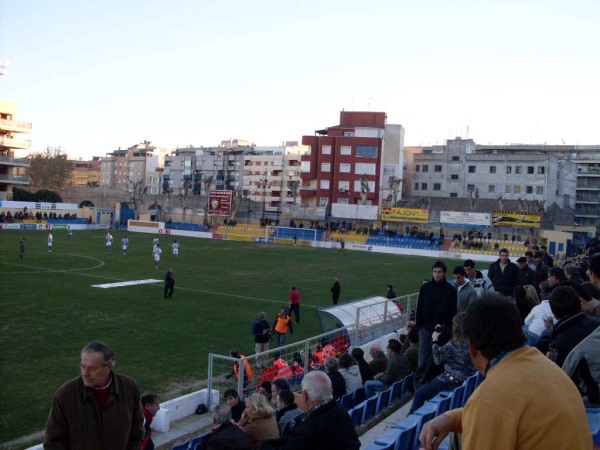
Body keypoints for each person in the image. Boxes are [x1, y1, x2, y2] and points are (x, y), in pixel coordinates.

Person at [418, 293, 592, 450]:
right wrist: (450, 419)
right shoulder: (546, 368)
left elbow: (494, 409)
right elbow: (505, 413)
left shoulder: (491, 398)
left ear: (471, 347)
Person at [44, 341, 144, 449]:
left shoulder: (129, 387)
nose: (85, 373)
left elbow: (136, 430)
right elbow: (53, 443)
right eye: (83, 366)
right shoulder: (65, 395)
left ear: (109, 366)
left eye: (92, 368)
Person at [264, 370, 360, 449]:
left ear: (305, 395)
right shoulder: (341, 411)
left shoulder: (310, 427)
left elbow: (301, 440)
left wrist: (265, 445)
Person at [409, 313, 475, 412]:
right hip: (464, 379)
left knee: (419, 394)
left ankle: (411, 422)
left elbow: (438, 359)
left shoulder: (455, 343)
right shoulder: (472, 341)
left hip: (450, 381)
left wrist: (434, 340)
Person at [416, 261, 457, 371]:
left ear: (444, 273)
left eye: (439, 272)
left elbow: (453, 313)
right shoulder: (425, 288)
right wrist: (419, 327)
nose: (436, 274)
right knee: (423, 360)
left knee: (439, 361)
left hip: (442, 332)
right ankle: (420, 384)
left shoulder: (451, 290)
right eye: (434, 272)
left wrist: (447, 329)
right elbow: (419, 308)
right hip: (425, 330)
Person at [547, 285, 600, 367]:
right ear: (580, 302)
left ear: (555, 315)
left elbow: (556, 371)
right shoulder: (597, 322)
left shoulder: (558, 344)